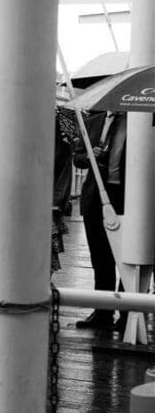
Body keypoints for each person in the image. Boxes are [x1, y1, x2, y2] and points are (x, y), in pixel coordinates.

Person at [76, 111, 125, 328]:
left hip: (127, 197)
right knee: (100, 257)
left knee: (128, 257)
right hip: (95, 197)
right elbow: (77, 157)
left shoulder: (142, 122)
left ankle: (128, 312)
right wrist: (89, 157)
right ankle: (103, 312)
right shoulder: (92, 122)